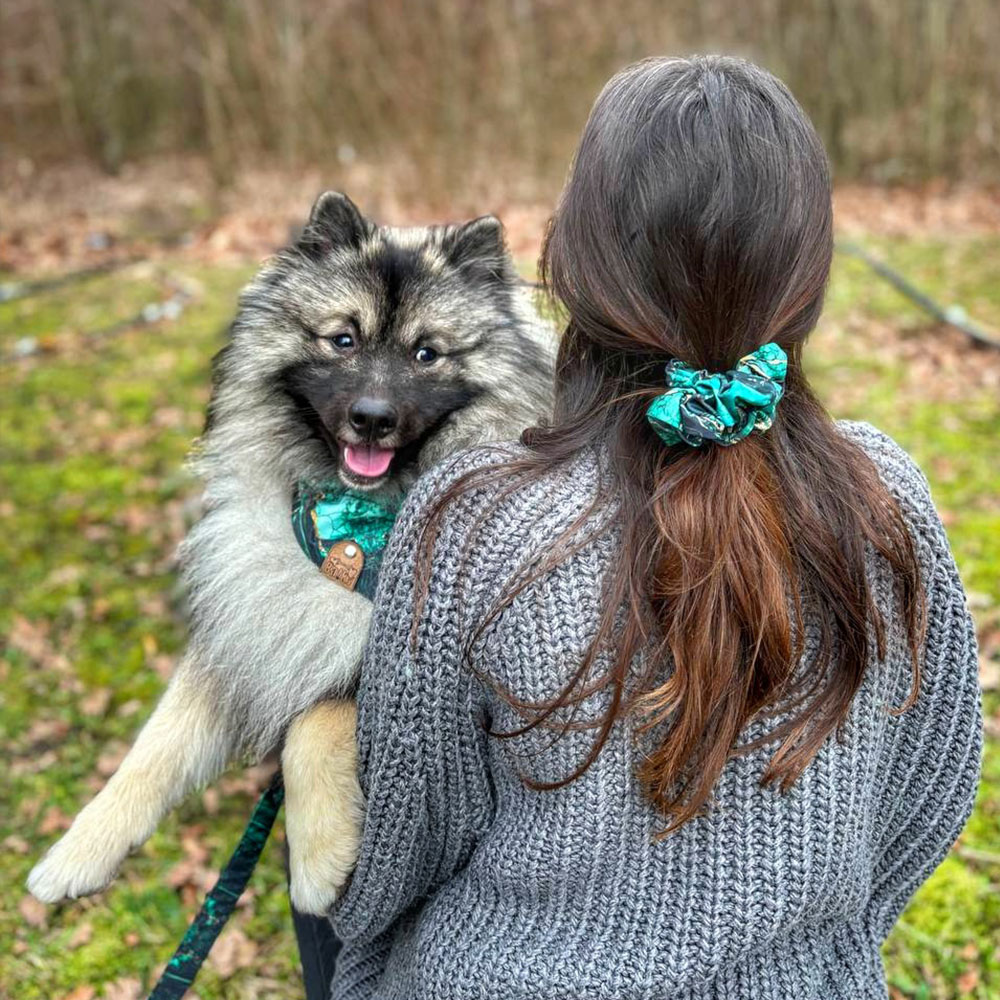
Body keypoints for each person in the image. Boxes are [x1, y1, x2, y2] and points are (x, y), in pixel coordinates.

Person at [327, 55, 982, 999]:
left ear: (575, 260)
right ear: (807, 275)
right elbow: (925, 800)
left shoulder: (472, 520)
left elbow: (400, 848)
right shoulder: (885, 497)